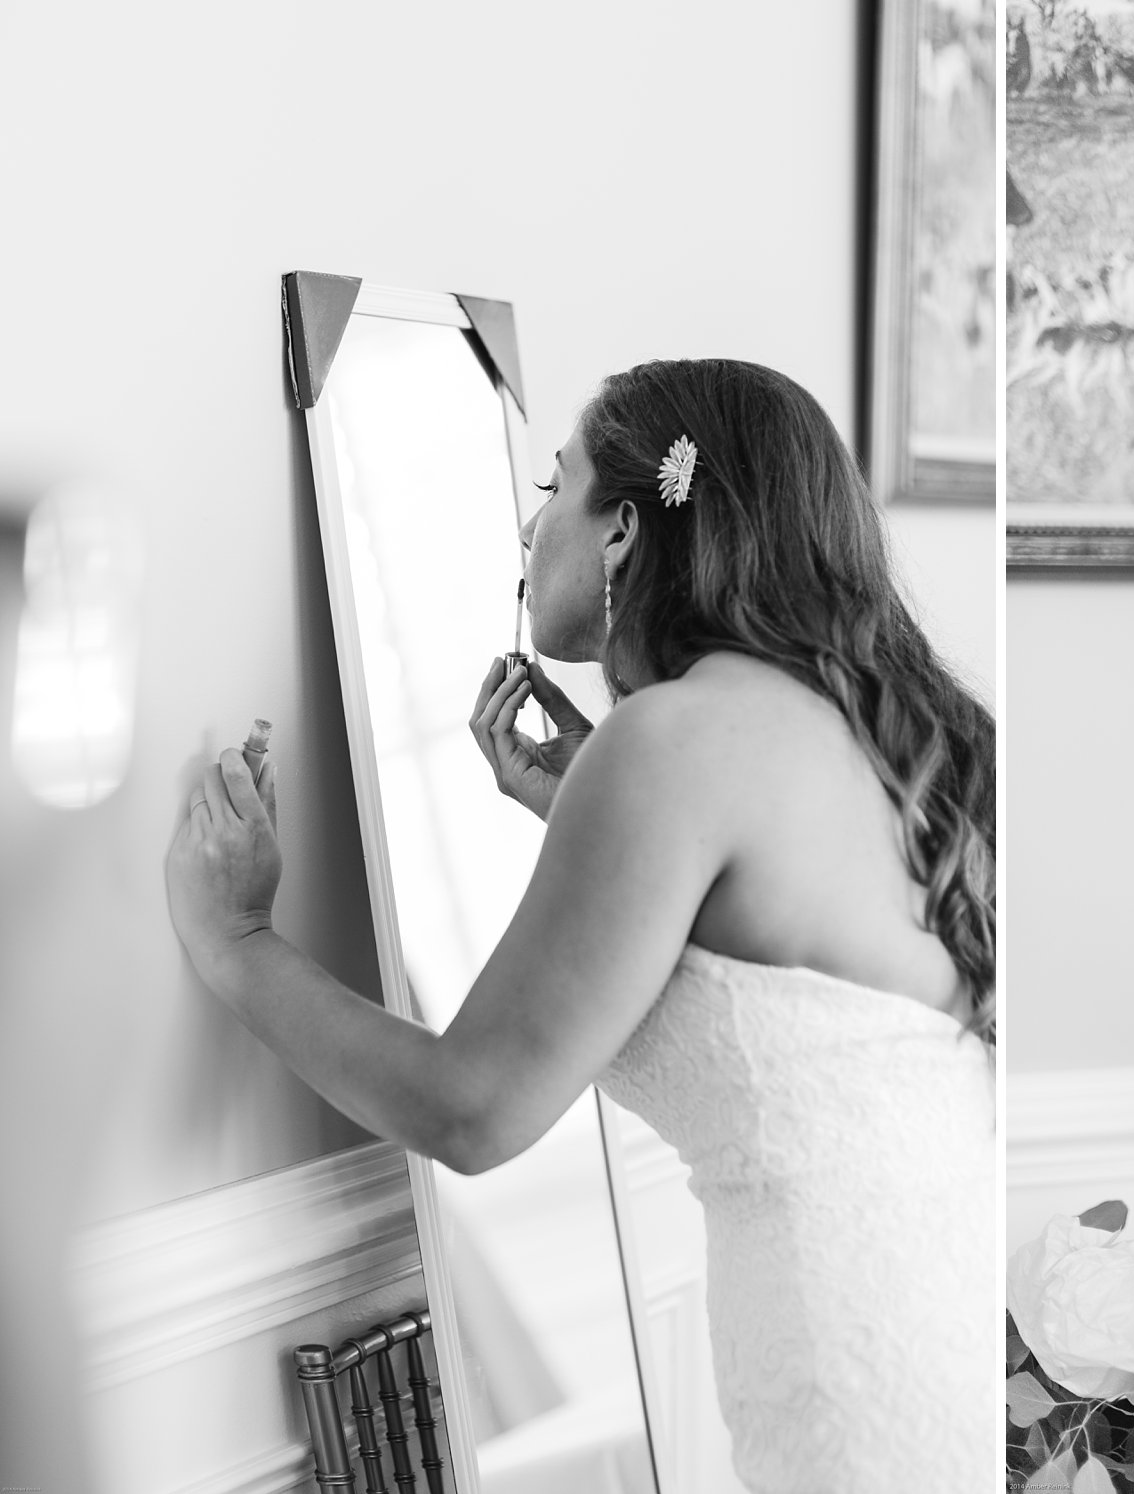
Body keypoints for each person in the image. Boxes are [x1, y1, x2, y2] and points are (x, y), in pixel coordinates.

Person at [165, 358, 996, 1493]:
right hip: (936, 1356)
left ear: (620, 531)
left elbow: (470, 1109)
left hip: (854, 1403)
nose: (526, 519)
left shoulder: (668, 743)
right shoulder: (890, 732)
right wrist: (580, 803)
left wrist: (238, 942)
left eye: (553, 483)